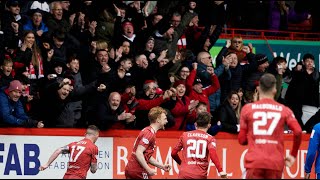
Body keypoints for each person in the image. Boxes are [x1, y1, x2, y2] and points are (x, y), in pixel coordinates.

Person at [238, 73, 302, 179]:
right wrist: (293, 154)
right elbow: (298, 131)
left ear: (258, 89)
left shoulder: (247, 109)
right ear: (275, 90)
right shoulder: (284, 110)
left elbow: (242, 140)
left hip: (255, 162)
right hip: (275, 163)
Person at [171, 111, 227, 179]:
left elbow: (173, 153)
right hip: (199, 175)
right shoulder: (210, 138)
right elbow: (213, 154)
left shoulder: (185, 135)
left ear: (195, 124)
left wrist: (182, 163)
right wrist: (220, 170)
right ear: (209, 125)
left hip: (184, 174)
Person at [125, 106, 171, 179]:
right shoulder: (149, 133)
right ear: (158, 120)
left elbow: (146, 156)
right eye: (165, 119)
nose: (167, 121)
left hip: (131, 168)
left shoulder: (148, 131)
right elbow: (139, 152)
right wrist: (148, 169)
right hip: (137, 170)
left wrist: (161, 166)